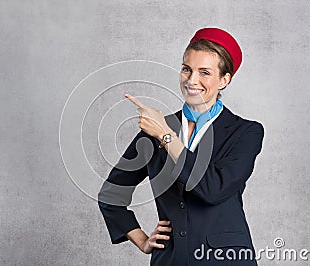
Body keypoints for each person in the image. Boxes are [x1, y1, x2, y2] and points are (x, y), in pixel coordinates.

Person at [98, 27, 264, 265]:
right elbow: (111, 194)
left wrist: (165, 135)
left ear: (224, 80)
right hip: (170, 258)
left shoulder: (245, 132)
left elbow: (212, 189)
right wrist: (142, 240)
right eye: (187, 69)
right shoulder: (154, 129)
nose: (192, 80)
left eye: (204, 72)